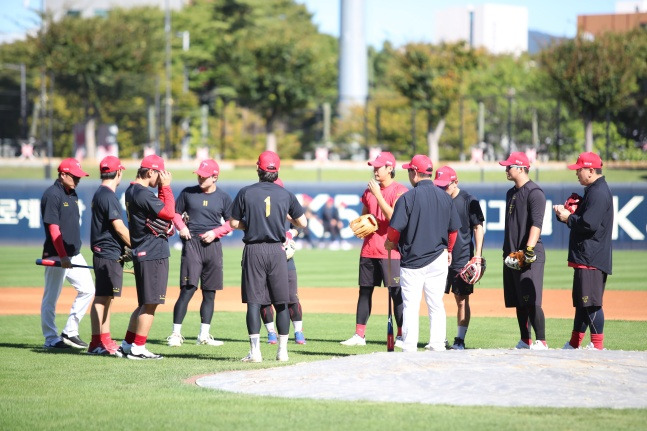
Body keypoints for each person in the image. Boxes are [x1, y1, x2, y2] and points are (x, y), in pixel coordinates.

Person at [229, 151, 307, 363]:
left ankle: (255, 353)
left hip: (254, 250)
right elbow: (303, 223)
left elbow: (234, 223)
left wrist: (251, 225)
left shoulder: (245, 192)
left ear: (259, 169)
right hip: (277, 250)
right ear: (276, 171)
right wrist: (283, 220)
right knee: (282, 302)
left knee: (254, 302)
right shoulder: (286, 194)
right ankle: (283, 352)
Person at [384, 155, 461, 352]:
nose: (409, 174)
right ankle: (437, 344)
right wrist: (449, 250)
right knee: (436, 303)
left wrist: (390, 242)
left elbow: (394, 229)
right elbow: (453, 231)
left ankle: (409, 346)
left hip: (413, 261)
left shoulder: (408, 198)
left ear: (415, 173)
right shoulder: (445, 197)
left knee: (411, 305)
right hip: (439, 257)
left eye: (409, 170)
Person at [340, 152, 408, 347]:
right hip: (368, 250)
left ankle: (402, 335)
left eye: (379, 167)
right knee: (364, 291)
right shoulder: (368, 191)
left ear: (390, 168)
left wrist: (378, 195)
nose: (375, 170)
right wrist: (362, 223)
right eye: (374, 167)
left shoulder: (400, 191)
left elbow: (395, 218)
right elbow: (365, 216)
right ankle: (359, 335)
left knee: (396, 293)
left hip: (391, 251)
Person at [166, 159, 232, 348]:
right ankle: (175, 334)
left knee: (209, 293)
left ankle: (203, 335)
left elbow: (231, 222)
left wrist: (216, 232)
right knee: (188, 289)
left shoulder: (224, 197)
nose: (200, 178)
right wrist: (181, 227)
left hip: (213, 245)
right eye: (199, 175)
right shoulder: (188, 193)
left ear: (215, 177)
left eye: (204, 176)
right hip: (192, 243)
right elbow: (176, 213)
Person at [117, 154, 175, 360]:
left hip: (142, 250)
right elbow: (169, 213)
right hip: (153, 253)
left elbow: (159, 212)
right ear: (150, 172)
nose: (161, 178)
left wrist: (161, 188)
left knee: (144, 303)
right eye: (159, 174)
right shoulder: (142, 193)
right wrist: (166, 188)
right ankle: (138, 348)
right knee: (150, 304)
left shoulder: (132, 190)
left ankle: (127, 344)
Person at [553, 152, 613, 350]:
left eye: (580, 169)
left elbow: (589, 225)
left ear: (591, 170)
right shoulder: (594, 190)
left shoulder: (598, 192)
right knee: (583, 303)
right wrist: (571, 212)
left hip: (591, 256)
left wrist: (568, 217)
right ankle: (573, 344)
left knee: (592, 303)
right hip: (587, 255)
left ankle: (597, 347)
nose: (577, 173)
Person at [40, 158, 95, 349]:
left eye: (79, 177)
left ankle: (70, 331)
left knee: (88, 289)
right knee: (51, 297)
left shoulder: (73, 194)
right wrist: (62, 255)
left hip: (74, 253)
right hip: (57, 254)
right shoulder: (52, 195)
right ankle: (50, 338)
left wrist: (69, 254)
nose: (78, 180)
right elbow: (54, 230)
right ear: (63, 174)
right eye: (74, 176)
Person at [499, 152, 548, 350]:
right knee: (519, 300)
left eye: (509, 166)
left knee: (531, 299)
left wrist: (528, 250)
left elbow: (537, 224)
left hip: (530, 254)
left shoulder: (535, 192)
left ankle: (541, 340)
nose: (506, 169)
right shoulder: (511, 193)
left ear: (520, 168)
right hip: (512, 254)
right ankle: (525, 339)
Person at [433, 165, 484, 350]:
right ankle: (439, 338)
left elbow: (478, 227)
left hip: (462, 258)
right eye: (439, 185)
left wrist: (477, 255)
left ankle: (460, 340)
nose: (442, 188)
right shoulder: (439, 199)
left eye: (445, 185)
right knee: (434, 298)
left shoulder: (469, 200)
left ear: (456, 182)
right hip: (437, 256)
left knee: (461, 299)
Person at [88, 156, 131, 355]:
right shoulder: (108, 195)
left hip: (108, 251)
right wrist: (136, 245)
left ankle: (104, 339)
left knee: (107, 297)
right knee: (102, 297)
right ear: (119, 172)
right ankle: (96, 342)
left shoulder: (101, 193)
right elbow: (119, 227)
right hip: (106, 251)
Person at [260, 178, 306, 345]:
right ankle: (271, 332)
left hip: (286, 257)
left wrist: (291, 234)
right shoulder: (259, 205)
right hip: (265, 254)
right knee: (264, 298)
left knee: (291, 297)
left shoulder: (286, 203)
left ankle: (298, 331)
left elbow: (300, 225)